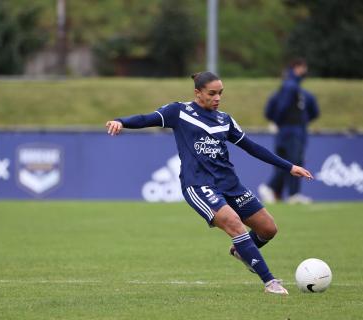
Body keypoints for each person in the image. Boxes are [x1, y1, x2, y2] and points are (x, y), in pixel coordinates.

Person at [105, 72, 314, 295]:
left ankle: (242, 252)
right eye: (212, 93)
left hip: (230, 184)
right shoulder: (179, 112)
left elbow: (252, 147)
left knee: (268, 228)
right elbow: (147, 119)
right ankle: (270, 282)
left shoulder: (225, 119)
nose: (217, 98)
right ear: (198, 93)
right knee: (234, 223)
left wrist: (289, 167)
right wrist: (121, 121)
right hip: (198, 184)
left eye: (220, 93)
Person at [258, 58, 320, 204]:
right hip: (290, 131)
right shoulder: (291, 87)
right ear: (296, 68)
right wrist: (279, 122)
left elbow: (313, 111)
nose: (305, 71)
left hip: (292, 130)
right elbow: (281, 108)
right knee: (293, 161)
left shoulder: (297, 90)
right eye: (303, 68)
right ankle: (280, 190)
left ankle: (277, 191)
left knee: (287, 161)